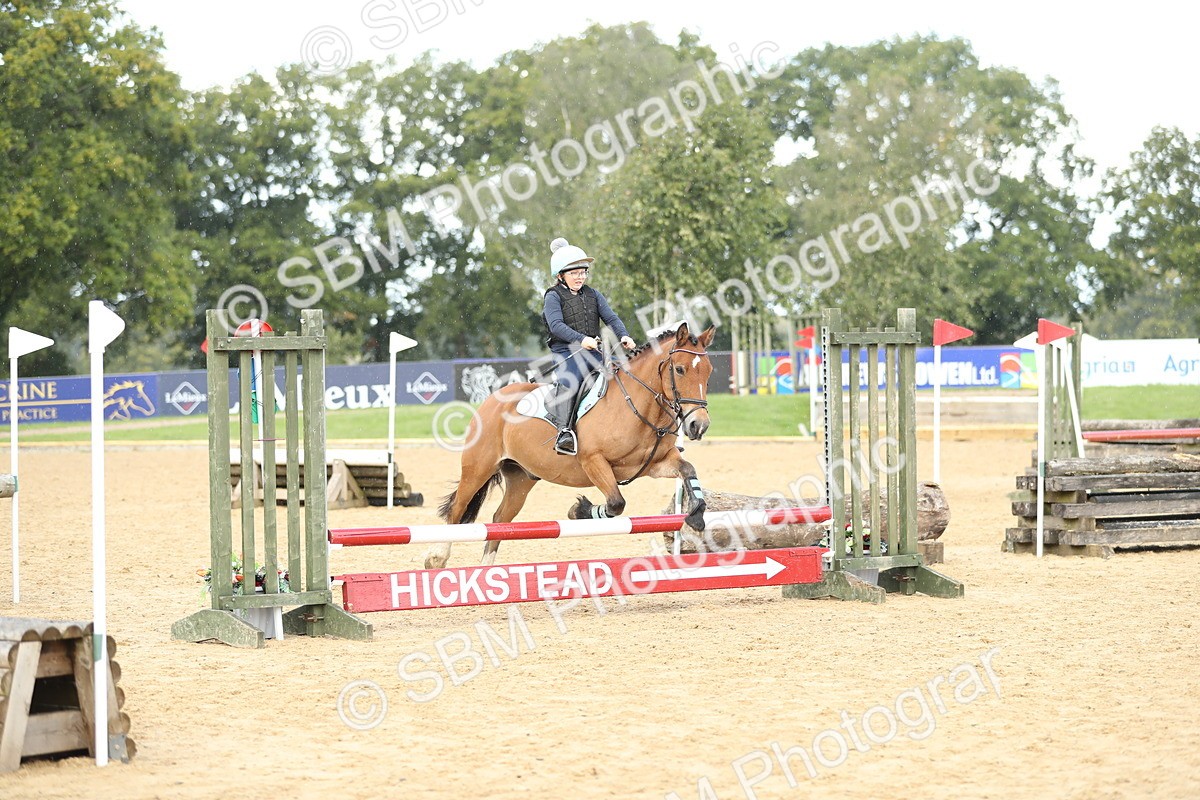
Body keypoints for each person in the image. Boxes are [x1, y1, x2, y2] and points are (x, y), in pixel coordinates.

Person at [541, 237, 637, 455]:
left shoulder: (593, 294)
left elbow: (611, 318)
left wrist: (623, 335)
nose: (580, 277)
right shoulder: (553, 297)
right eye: (574, 273)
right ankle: (564, 432)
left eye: (583, 272)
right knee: (572, 382)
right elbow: (556, 326)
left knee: (622, 374)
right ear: (560, 276)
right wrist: (581, 339)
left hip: (592, 350)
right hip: (565, 352)